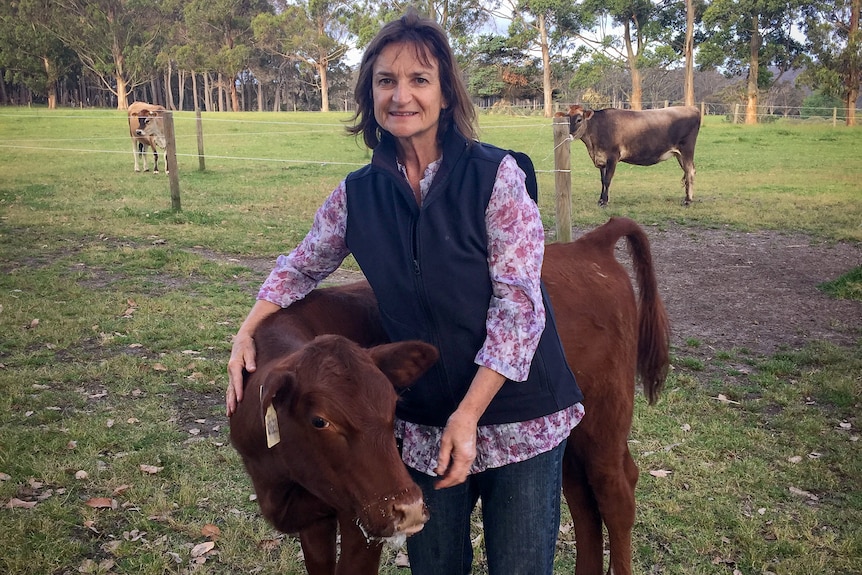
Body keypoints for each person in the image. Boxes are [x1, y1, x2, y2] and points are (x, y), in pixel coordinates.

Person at [226, 8, 584, 574]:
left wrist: (468, 416)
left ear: (446, 92)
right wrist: (246, 330)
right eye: (385, 80)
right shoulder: (357, 195)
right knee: (436, 568)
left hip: (519, 415)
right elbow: (299, 268)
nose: (401, 95)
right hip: (423, 423)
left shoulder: (498, 177)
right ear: (369, 94)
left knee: (519, 567)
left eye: (420, 79)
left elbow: (519, 311)